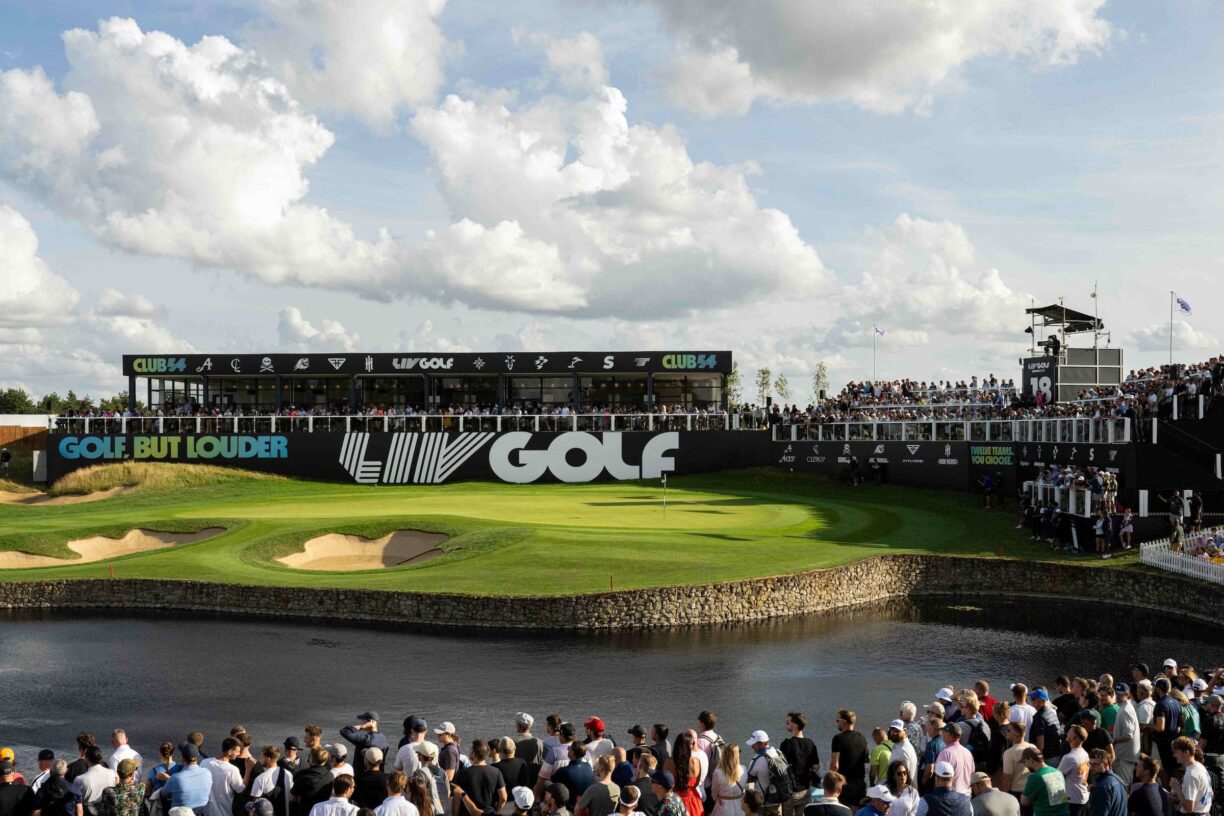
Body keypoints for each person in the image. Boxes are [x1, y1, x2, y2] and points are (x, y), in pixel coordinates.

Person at [449, 741, 506, 816]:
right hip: (489, 812)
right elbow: (503, 797)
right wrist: (495, 811)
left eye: (470, 750)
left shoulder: (463, 774)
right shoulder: (496, 772)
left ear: (474, 754)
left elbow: (457, 799)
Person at [780, 714, 818, 816]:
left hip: (790, 790)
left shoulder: (786, 744)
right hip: (805, 789)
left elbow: (781, 767)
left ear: (795, 726)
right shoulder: (811, 743)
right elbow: (816, 766)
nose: (786, 724)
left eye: (788, 722)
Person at [829, 712, 868, 808]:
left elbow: (835, 765)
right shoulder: (861, 737)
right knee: (858, 811)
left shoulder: (838, 739)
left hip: (844, 783)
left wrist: (829, 780)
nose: (837, 723)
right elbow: (866, 759)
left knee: (844, 811)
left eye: (838, 720)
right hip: (859, 782)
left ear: (844, 722)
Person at [202, 739, 246, 816]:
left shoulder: (205, 762)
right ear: (229, 751)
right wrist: (248, 769)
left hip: (205, 811)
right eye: (237, 751)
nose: (238, 754)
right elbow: (240, 789)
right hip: (224, 812)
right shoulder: (232, 770)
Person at [1018, 749, 1067, 816]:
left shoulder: (1035, 777)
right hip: (1064, 813)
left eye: (1024, 762)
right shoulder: (1058, 772)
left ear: (1031, 760)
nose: (1025, 765)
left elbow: (1024, 801)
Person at [1171, 737, 1212, 816]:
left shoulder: (1191, 774)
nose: (1174, 755)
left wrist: (1177, 789)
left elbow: (1189, 808)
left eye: (1176, 752)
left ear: (1186, 752)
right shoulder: (1200, 766)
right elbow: (1211, 794)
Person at [292, 749, 336, 816]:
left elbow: (294, 797)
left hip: (306, 811)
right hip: (323, 812)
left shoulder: (302, 776)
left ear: (311, 759)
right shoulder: (330, 776)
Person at [250, 747, 293, 816]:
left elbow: (255, 806)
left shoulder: (261, 778)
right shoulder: (288, 774)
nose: (259, 759)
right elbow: (291, 797)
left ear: (268, 759)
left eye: (261, 756)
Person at [1054, 728, 1087, 816]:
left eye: (1069, 732)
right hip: (1082, 797)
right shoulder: (1085, 753)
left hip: (1072, 800)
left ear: (1074, 737)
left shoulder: (1069, 758)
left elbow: (1056, 777)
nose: (1067, 733)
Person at [666, 735, 702, 816]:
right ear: (690, 746)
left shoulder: (668, 762)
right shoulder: (696, 762)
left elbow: (665, 783)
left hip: (674, 801)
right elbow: (697, 783)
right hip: (693, 800)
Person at [76, 747, 119, 815]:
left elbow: (76, 801)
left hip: (88, 812)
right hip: (107, 811)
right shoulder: (112, 773)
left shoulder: (80, 779)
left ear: (86, 759)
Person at [935, 725, 974, 797]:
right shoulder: (967, 752)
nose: (941, 734)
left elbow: (940, 778)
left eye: (943, 731)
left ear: (949, 734)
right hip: (967, 797)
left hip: (951, 797)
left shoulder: (945, 753)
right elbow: (972, 774)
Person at [1083, 751, 1123, 816]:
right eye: (1090, 764)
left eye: (1095, 764)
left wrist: (1097, 792)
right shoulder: (1119, 780)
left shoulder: (1102, 788)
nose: (1091, 767)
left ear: (1105, 765)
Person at [998, 724, 1031, 799]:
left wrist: (1005, 796)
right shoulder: (1032, 747)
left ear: (1017, 734)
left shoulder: (1009, 753)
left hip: (1016, 792)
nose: (1006, 732)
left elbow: (1007, 778)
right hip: (1031, 789)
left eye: (1009, 730)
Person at [710, 744, 745, 816]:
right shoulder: (743, 769)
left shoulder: (718, 772)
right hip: (740, 805)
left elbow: (714, 793)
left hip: (723, 806)